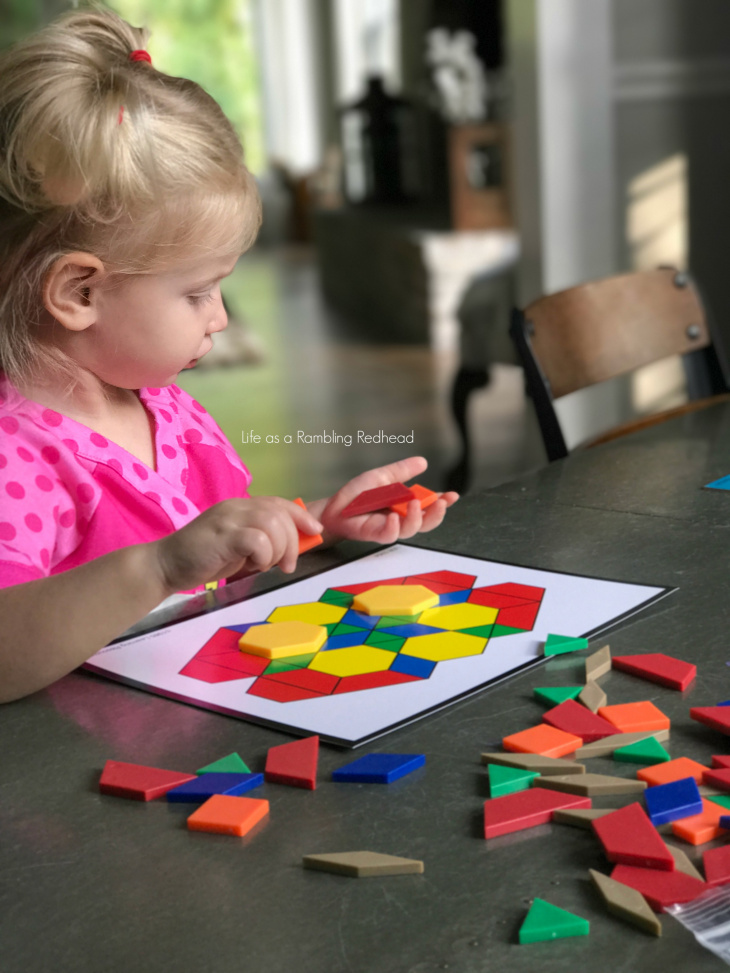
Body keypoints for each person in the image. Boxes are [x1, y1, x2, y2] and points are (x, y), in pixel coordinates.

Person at [0, 8, 458, 703]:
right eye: (198, 292)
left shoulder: (164, 405)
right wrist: (155, 568)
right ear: (78, 292)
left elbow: (216, 560)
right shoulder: (18, 458)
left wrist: (315, 526)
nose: (219, 317)